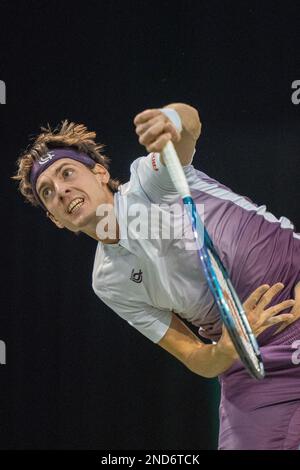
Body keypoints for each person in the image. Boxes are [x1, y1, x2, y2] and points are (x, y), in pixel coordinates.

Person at [13, 103, 300, 449]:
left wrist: (172, 120)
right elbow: (198, 358)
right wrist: (227, 347)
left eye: (67, 173)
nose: (60, 190)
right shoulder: (108, 282)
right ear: (56, 219)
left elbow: (189, 127)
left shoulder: (149, 183)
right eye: (48, 192)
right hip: (251, 360)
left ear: (101, 173)